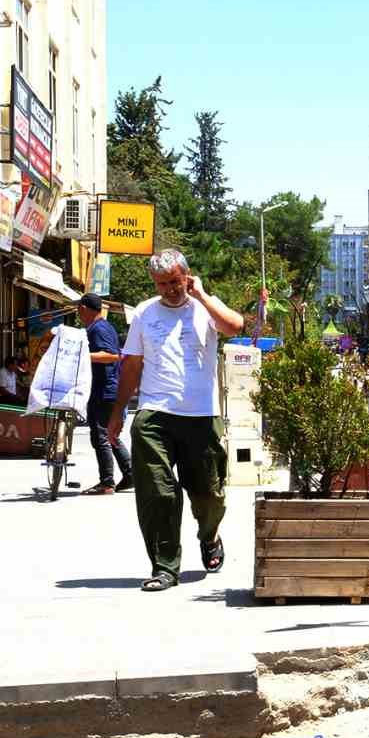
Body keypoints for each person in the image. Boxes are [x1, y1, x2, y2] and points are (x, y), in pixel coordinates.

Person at [107, 249, 245, 592]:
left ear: (187, 275)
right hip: (155, 412)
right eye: (162, 283)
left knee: (208, 493)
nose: (170, 289)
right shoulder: (144, 314)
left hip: (201, 414)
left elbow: (235, 326)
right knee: (158, 492)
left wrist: (201, 294)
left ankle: (209, 535)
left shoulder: (204, 307)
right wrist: (117, 413)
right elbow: (132, 366)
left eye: (175, 281)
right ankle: (165, 567)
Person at [77, 292, 134, 496]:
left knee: (101, 436)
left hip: (105, 391)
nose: (78, 313)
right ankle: (129, 473)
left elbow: (111, 355)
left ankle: (107, 482)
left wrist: (82, 355)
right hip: (105, 389)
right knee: (110, 435)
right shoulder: (101, 327)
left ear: (84, 308)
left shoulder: (99, 328)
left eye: (79, 309)